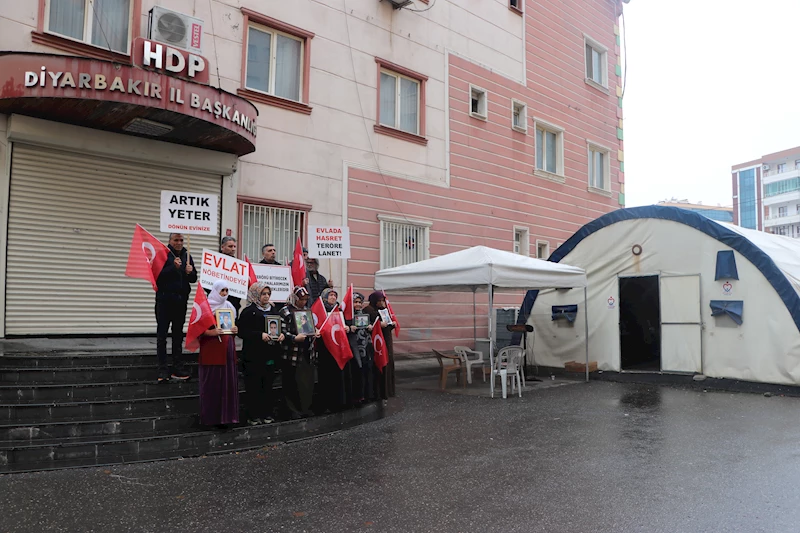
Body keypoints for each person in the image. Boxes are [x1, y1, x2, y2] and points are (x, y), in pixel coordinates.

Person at [237, 282, 284, 425]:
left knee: (268, 385)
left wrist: (281, 335)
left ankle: (267, 413)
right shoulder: (248, 311)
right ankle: (254, 415)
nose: (266, 297)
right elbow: (242, 331)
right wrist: (259, 335)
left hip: (269, 354)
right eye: (263, 294)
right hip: (253, 356)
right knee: (254, 386)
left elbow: (278, 327)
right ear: (256, 295)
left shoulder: (273, 311)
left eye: (268, 294)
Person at [155, 233, 196, 384]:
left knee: (178, 335)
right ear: (170, 241)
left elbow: (193, 278)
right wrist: (173, 267)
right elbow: (157, 276)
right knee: (162, 335)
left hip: (180, 301)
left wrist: (190, 272)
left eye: (181, 240)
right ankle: (162, 368)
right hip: (164, 301)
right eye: (176, 240)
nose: (179, 243)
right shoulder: (163, 254)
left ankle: (177, 366)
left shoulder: (187, 254)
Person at [198, 280, 240, 428]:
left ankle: (227, 418)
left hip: (227, 349)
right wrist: (211, 332)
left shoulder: (229, 307)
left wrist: (234, 330)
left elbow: (231, 327)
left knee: (227, 384)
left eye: (227, 291)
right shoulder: (205, 307)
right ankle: (211, 419)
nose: (224, 294)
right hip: (212, 350)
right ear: (215, 291)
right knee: (212, 384)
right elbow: (197, 330)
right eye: (222, 290)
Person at [281, 286, 318, 419]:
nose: (303, 302)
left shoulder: (306, 311)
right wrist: (294, 338)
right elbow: (282, 331)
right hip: (292, 353)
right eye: (301, 299)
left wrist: (315, 331)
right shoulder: (285, 311)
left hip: (307, 352)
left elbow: (311, 327)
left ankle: (305, 407)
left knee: (306, 381)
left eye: (305, 299)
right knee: (292, 382)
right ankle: (293, 410)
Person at [317, 288, 347, 412]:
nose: (333, 297)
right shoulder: (320, 310)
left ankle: (337, 402)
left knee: (337, 376)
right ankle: (324, 404)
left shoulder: (338, 311)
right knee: (325, 376)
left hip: (337, 346)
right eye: (330, 295)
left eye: (335, 295)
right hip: (325, 348)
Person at [363, 291, 396, 399]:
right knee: (379, 365)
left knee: (388, 363)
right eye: (379, 301)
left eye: (383, 300)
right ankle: (378, 392)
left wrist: (391, 324)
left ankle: (388, 390)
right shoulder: (369, 310)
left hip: (386, 340)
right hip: (377, 342)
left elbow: (387, 323)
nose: (381, 303)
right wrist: (379, 324)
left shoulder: (383, 310)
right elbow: (371, 323)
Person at [346, 292, 373, 404]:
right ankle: (355, 397)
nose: (357, 304)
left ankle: (365, 395)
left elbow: (369, 325)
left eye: (359, 302)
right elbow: (343, 327)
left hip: (365, 346)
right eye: (355, 302)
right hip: (354, 346)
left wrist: (370, 326)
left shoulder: (364, 314)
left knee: (366, 370)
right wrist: (348, 327)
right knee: (356, 371)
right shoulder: (347, 315)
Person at [218, 236, 242, 315]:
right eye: (230, 246)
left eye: (234, 246)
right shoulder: (215, 261)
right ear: (222, 247)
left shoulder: (239, 264)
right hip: (218, 302)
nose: (233, 249)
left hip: (234, 302)